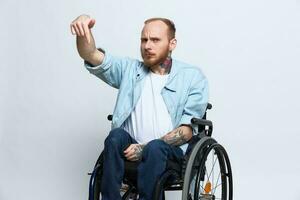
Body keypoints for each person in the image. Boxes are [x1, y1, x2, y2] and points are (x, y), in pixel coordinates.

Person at [70, 14, 209, 200]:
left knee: (155, 148)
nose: (147, 46)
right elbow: (91, 54)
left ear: (172, 44)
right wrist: (83, 30)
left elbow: (186, 131)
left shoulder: (192, 76)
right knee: (115, 136)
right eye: (144, 40)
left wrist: (144, 148)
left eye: (155, 40)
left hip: (170, 155)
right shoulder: (129, 70)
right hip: (129, 148)